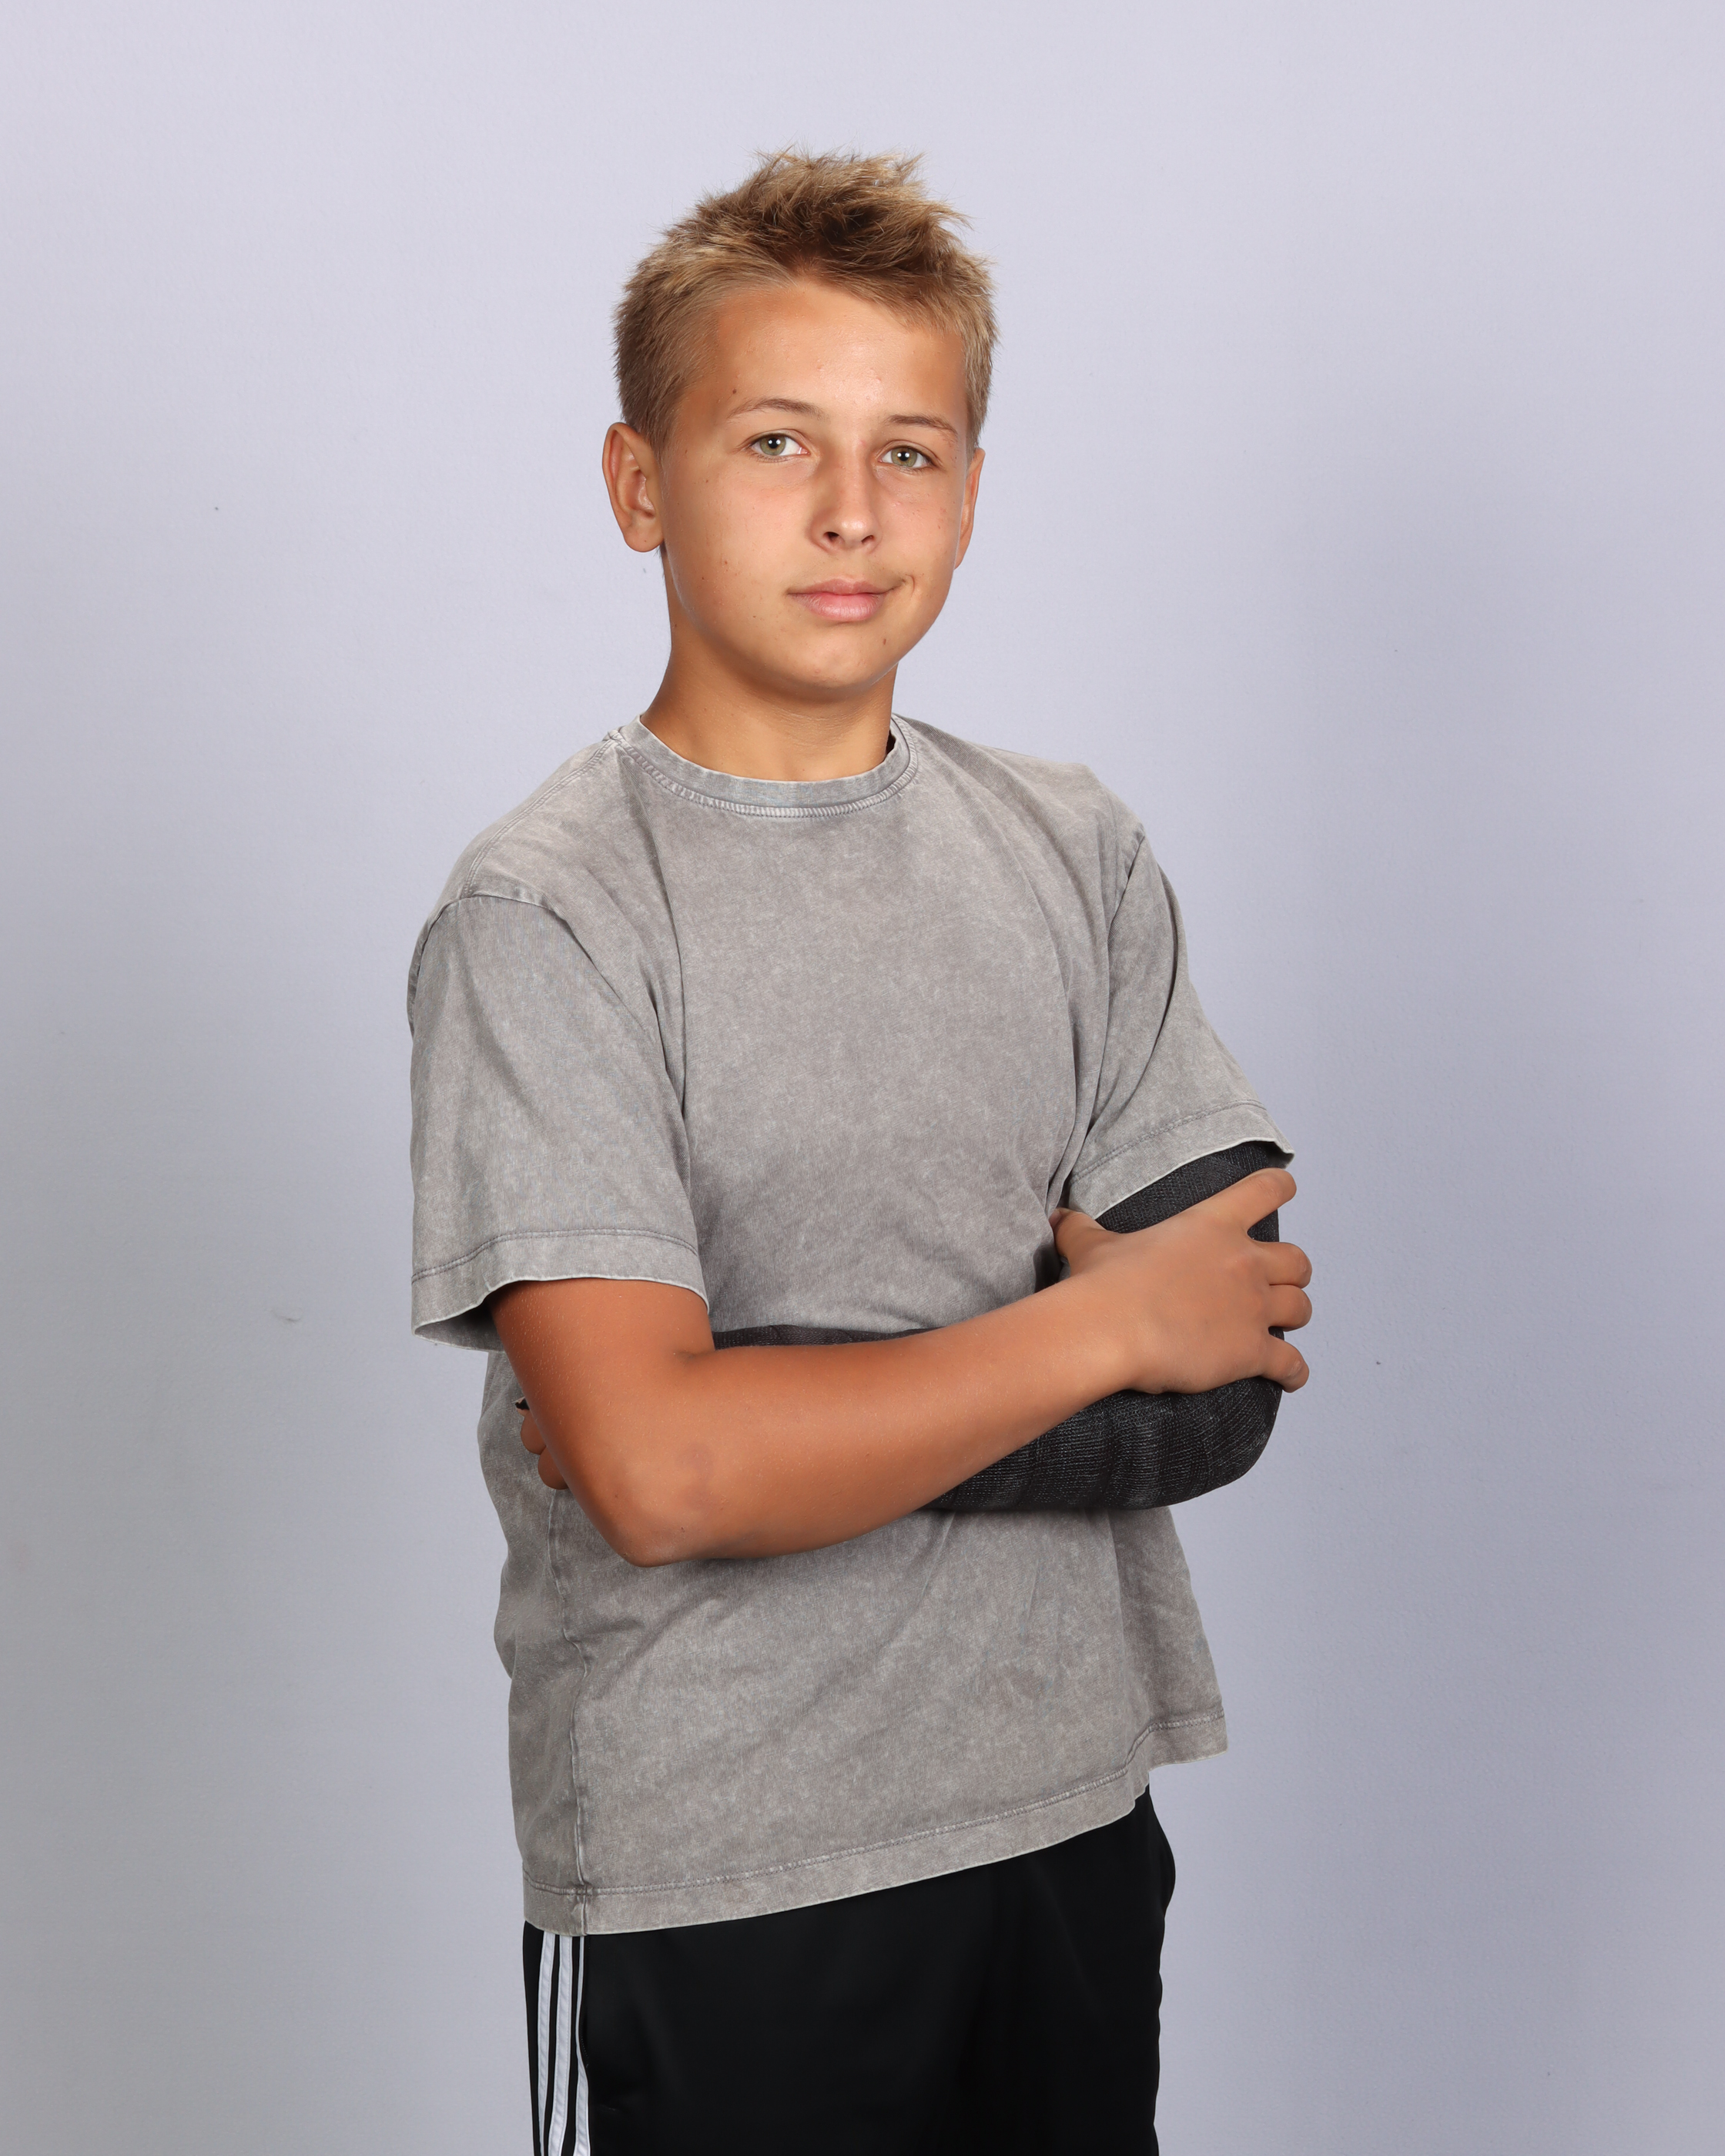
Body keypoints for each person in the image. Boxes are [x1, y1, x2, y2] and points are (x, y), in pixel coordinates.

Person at [407, 148, 1312, 2156]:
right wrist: (1100, 1329)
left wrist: (767, 1408)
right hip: (725, 1859)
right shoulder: (550, 913)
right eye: (774, 442)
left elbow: (1229, 1378)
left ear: (971, 492)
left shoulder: (1072, 851)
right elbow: (666, 1482)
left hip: (1069, 1812)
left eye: (910, 451)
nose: (850, 509)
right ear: (639, 483)